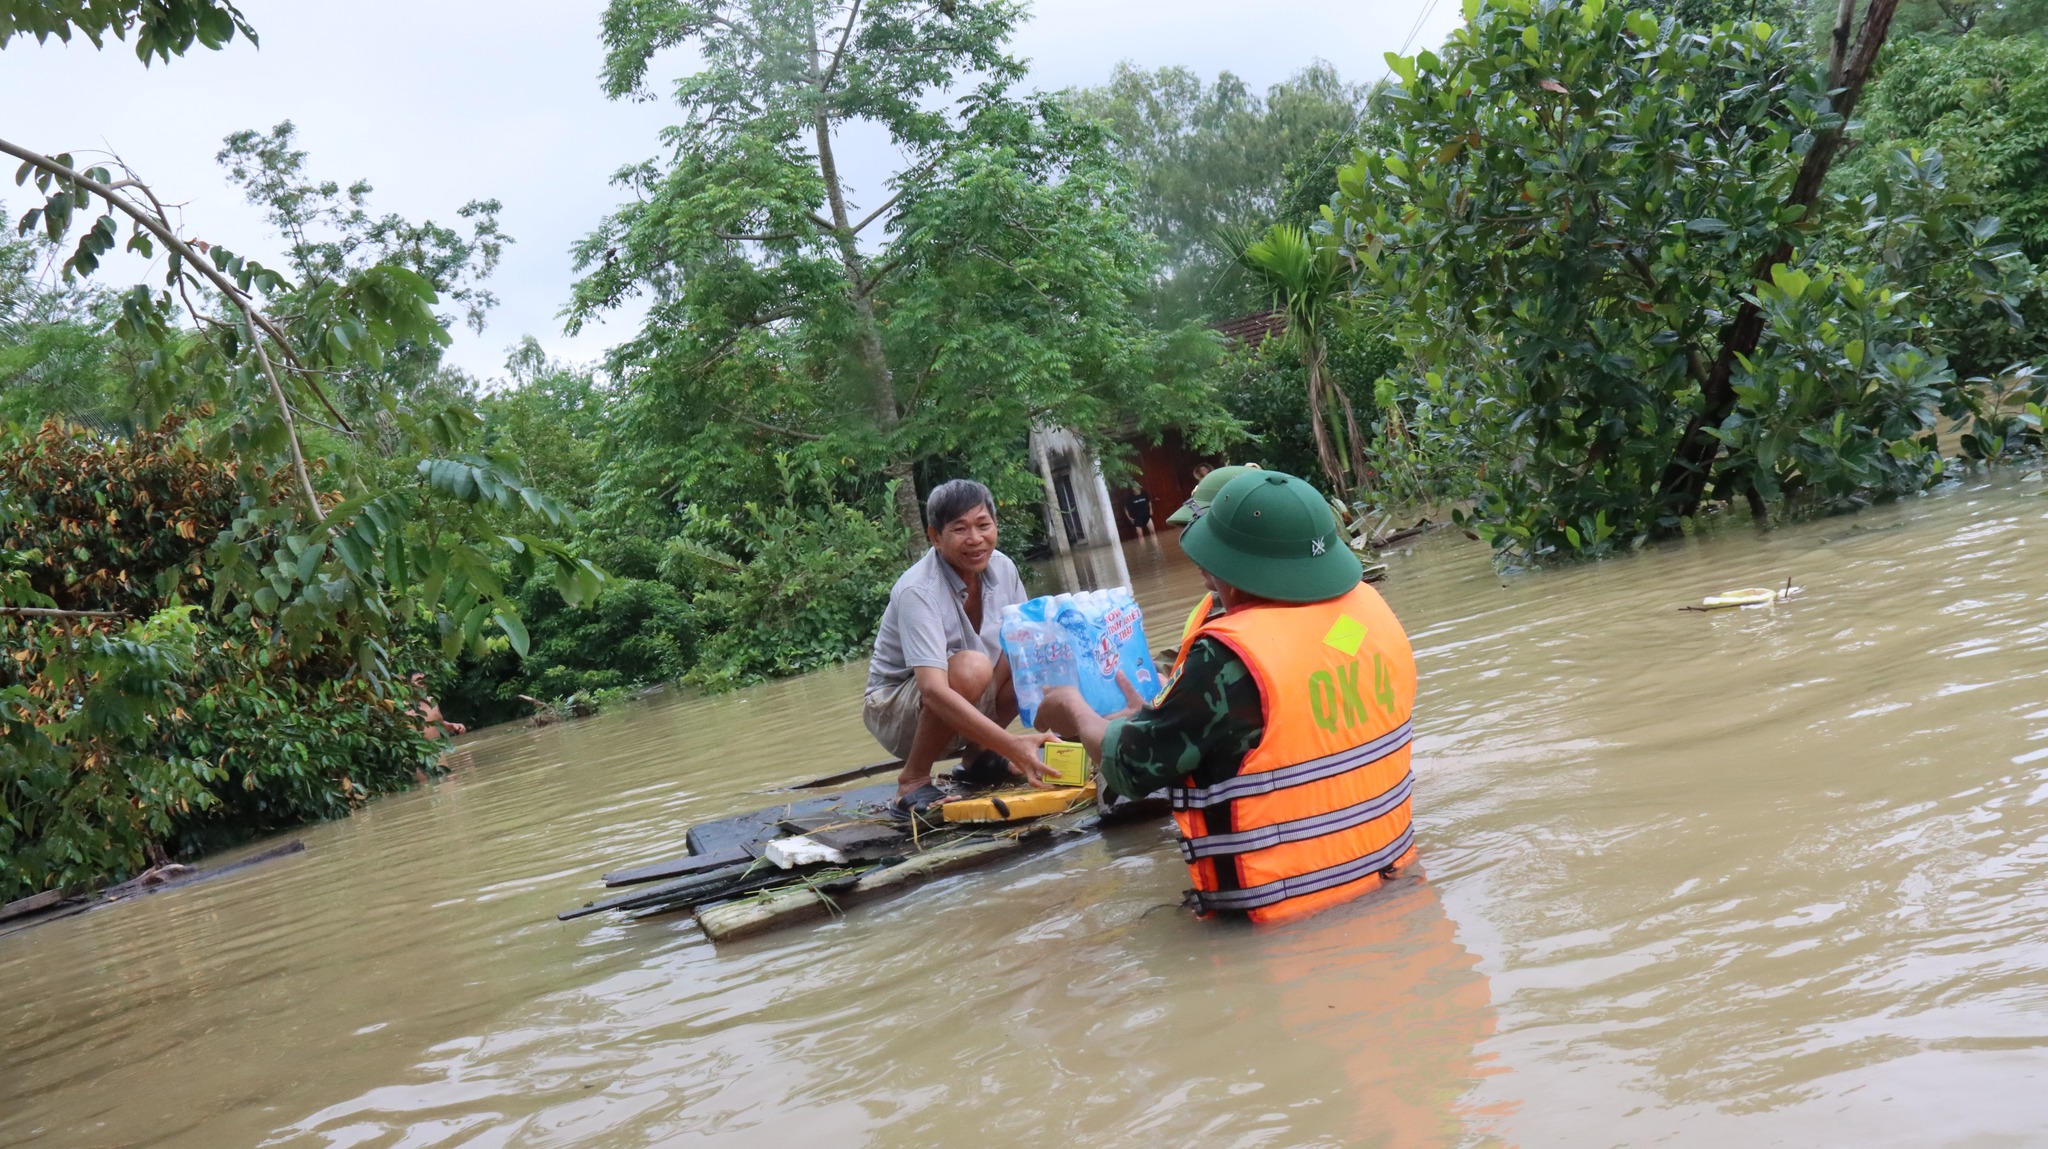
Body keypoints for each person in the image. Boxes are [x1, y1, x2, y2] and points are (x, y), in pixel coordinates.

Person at [1033, 470, 1418, 924]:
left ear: (1230, 566)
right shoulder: (1368, 615)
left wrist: (1072, 707)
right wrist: (1161, 714)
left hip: (1282, 918)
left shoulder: (1229, 657)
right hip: (1392, 881)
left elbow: (1130, 767)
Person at [865, 479, 1058, 822]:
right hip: (896, 710)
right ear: (935, 536)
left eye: (984, 525)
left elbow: (1031, 650)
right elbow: (933, 691)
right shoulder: (918, 590)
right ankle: (912, 780)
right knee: (972, 667)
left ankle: (977, 759)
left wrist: (1072, 728)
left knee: (1024, 656)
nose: (975, 539)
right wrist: (1011, 745)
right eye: (960, 529)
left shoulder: (1004, 567)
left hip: (967, 696)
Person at [410, 673, 467, 741]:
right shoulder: (406, 709)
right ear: (408, 684)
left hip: (439, 749)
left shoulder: (431, 701)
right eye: (419, 681)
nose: (423, 683)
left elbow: (440, 724)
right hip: (424, 750)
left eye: (425, 680)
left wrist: (453, 726)